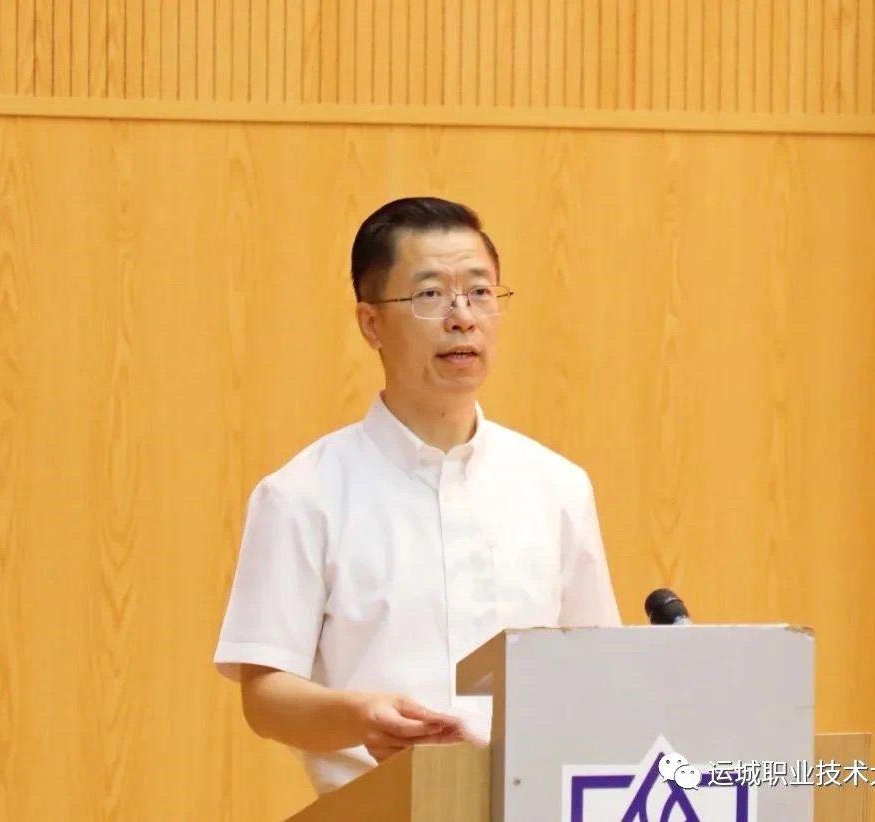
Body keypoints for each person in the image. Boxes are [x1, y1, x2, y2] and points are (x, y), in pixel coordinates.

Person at [214, 196, 621, 795]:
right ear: (371, 324)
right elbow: (266, 695)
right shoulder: (302, 495)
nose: (463, 318)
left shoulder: (555, 486)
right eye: (431, 295)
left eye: (479, 292)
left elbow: (601, 669)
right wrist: (359, 716)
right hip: (380, 803)